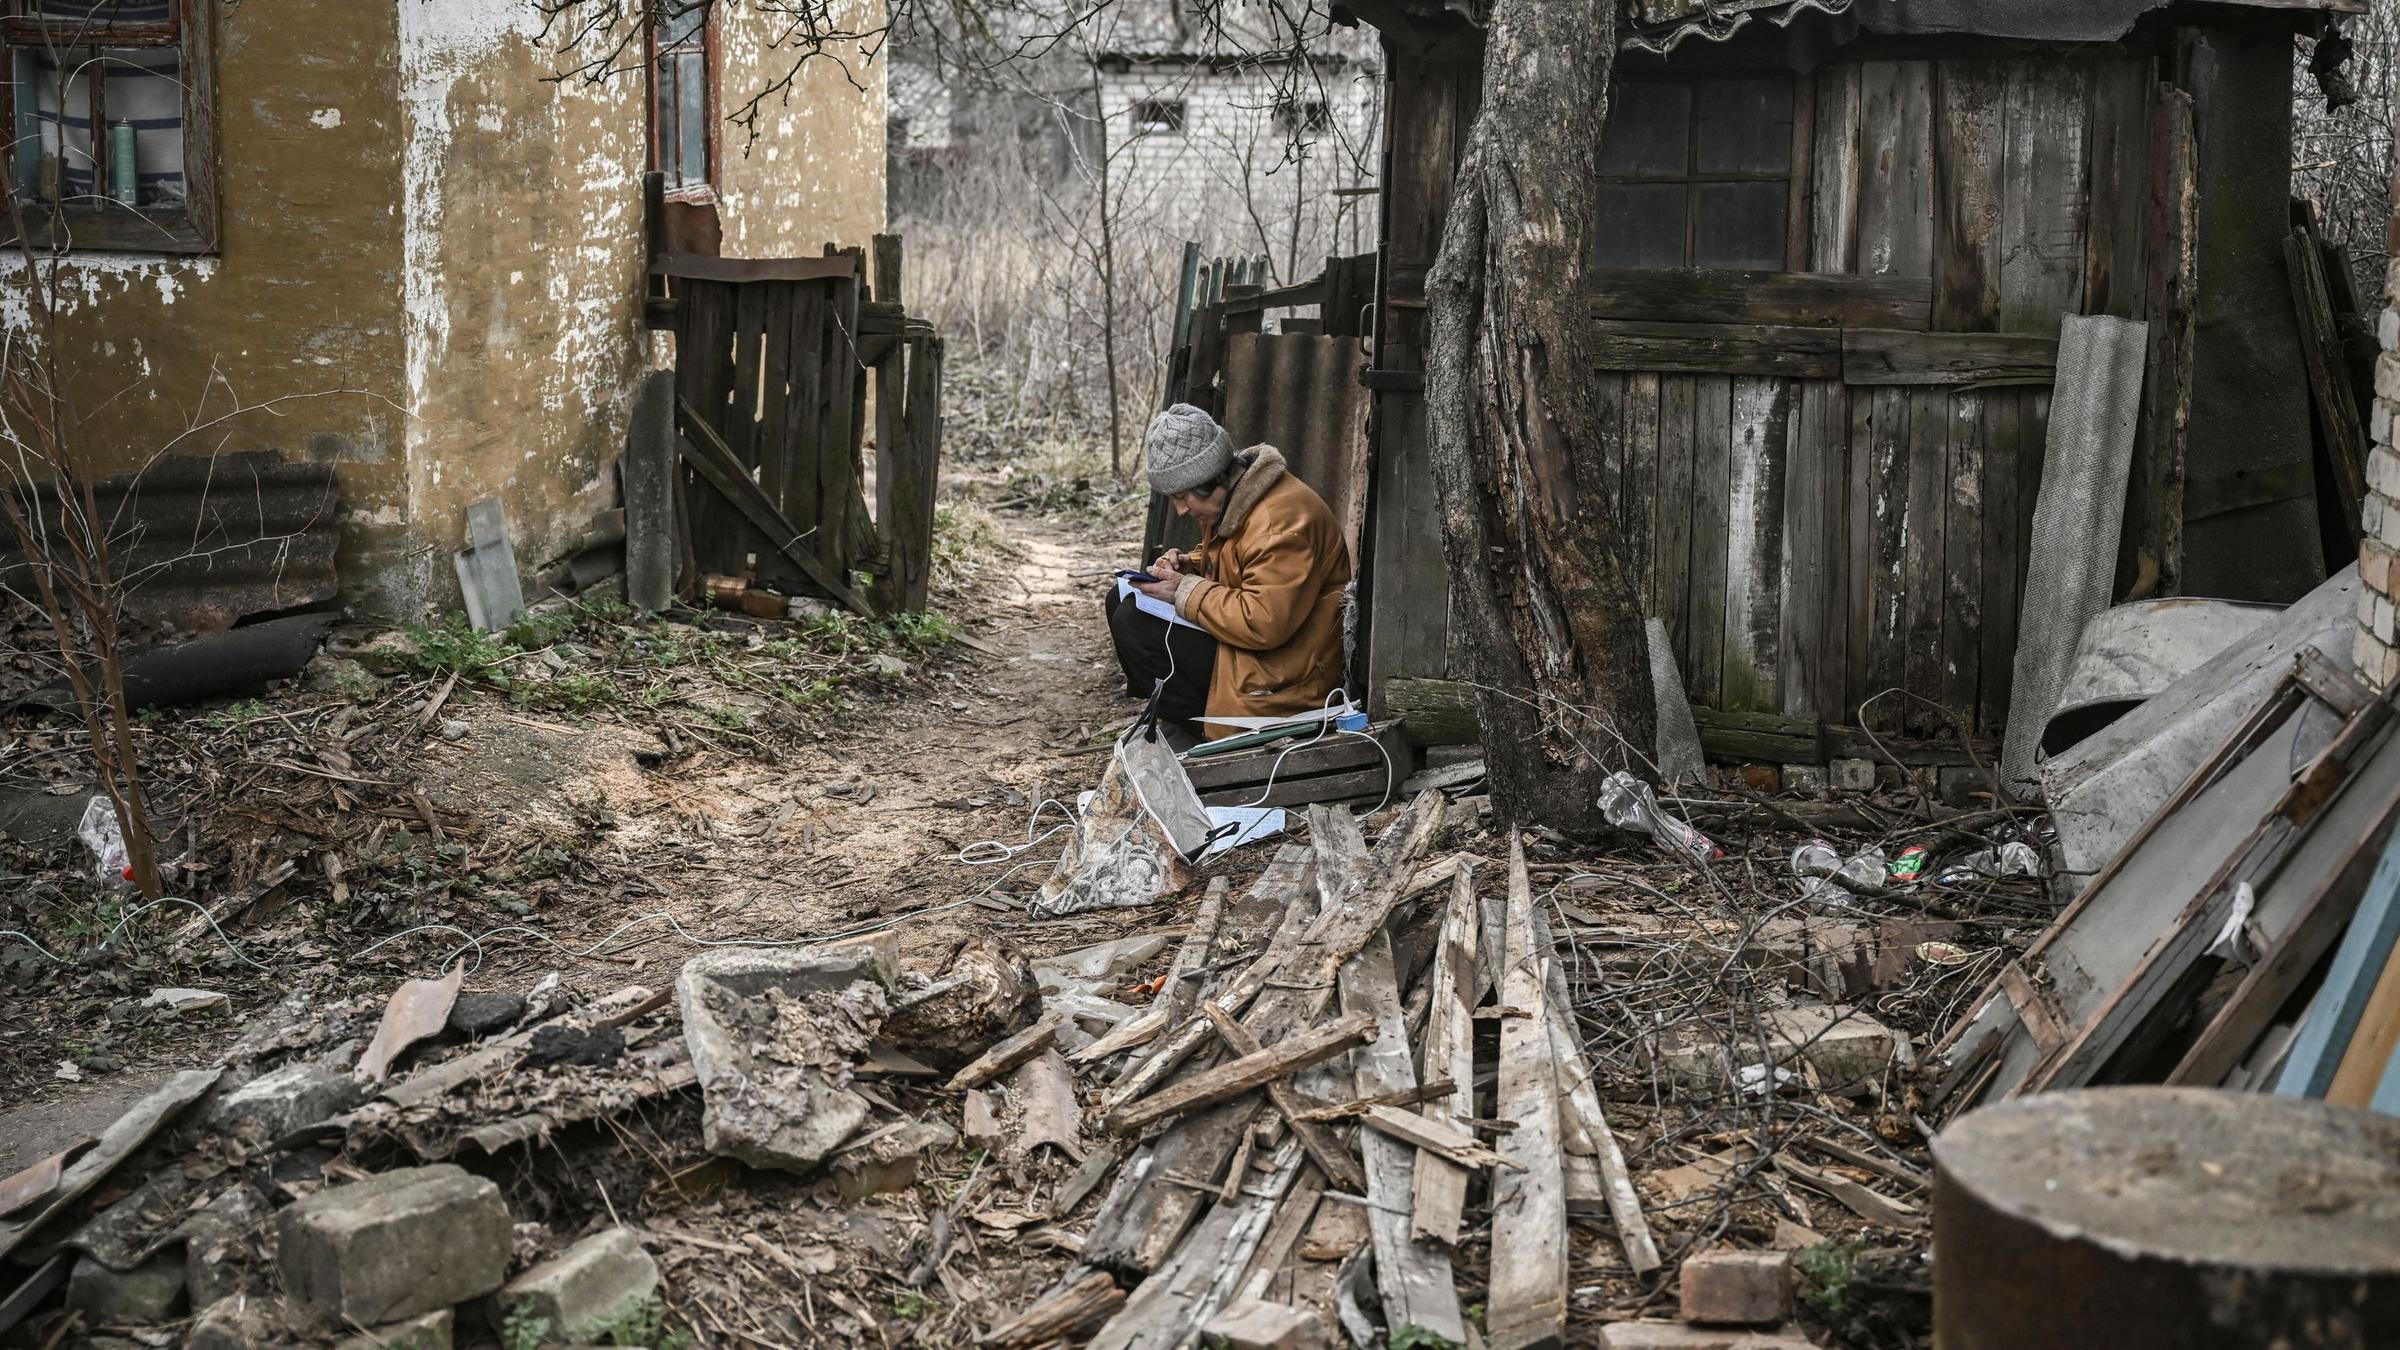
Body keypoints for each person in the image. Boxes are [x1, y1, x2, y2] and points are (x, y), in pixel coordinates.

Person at [1105, 403, 1352, 740]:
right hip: (1256, 651)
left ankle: (1204, 729)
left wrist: (1184, 590)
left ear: (1211, 477)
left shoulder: (1279, 524)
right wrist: (1190, 564)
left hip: (1287, 677)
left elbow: (1263, 623)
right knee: (1118, 602)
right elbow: (1241, 562)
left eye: (1182, 496)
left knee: (1134, 622)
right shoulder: (1238, 498)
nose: (1179, 510)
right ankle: (1188, 719)